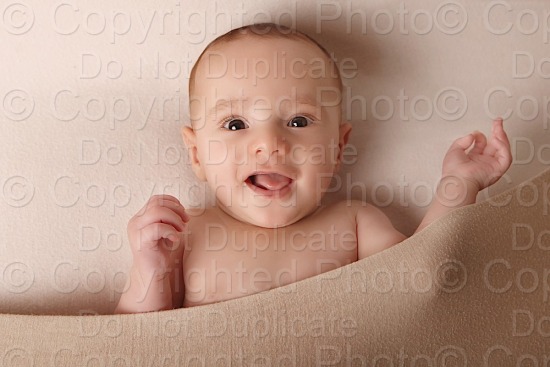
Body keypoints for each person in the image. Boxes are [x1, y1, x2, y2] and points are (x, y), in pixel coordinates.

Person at [114, 23, 512, 313]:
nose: (269, 144)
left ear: (339, 147)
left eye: (298, 122)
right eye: (235, 124)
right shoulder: (188, 233)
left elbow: (422, 279)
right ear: (197, 154)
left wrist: (460, 183)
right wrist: (150, 265)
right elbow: (139, 341)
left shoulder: (353, 224)